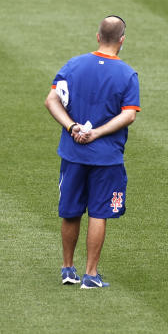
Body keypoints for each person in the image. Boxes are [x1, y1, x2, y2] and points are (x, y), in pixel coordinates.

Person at [44, 16, 141, 288]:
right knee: (99, 212)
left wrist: (72, 126)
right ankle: (90, 274)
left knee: (71, 211)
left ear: (98, 36)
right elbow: (129, 115)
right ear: (121, 40)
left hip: (73, 154)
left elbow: (51, 100)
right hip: (106, 158)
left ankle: (67, 269)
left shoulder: (73, 65)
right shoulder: (127, 74)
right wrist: (97, 133)